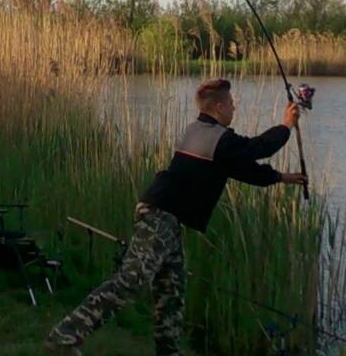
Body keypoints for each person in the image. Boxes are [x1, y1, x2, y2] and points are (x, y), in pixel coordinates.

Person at [45, 77, 308, 355]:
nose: (234, 108)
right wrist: (286, 125)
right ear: (218, 106)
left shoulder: (199, 132)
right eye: (231, 103)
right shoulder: (218, 138)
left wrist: (281, 177)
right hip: (159, 216)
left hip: (168, 220)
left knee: (171, 295)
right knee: (131, 281)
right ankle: (64, 336)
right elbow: (257, 148)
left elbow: (242, 168)